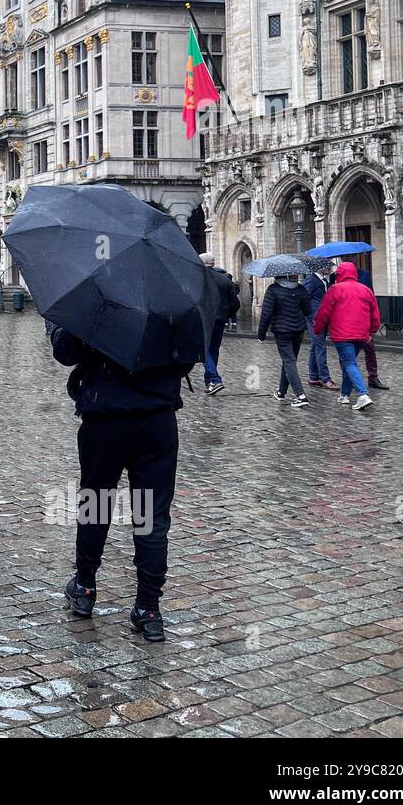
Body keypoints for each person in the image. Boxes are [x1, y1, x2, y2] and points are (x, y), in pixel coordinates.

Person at [51, 324, 191, 643]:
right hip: (157, 420)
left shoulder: (98, 300)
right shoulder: (175, 303)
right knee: (151, 519)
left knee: (96, 506)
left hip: (106, 418)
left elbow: (65, 352)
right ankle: (148, 609)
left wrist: (65, 328)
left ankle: (85, 587)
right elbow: (186, 359)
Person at [313, 260, 381, 412]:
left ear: (340, 275)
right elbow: (375, 314)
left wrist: (317, 328)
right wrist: (372, 331)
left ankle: (363, 394)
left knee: (349, 363)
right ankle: (344, 395)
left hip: (342, 334)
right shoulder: (365, 289)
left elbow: (324, 312)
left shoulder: (335, 289)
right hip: (361, 334)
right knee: (348, 363)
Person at [257, 274, 311, 407]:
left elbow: (266, 313)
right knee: (289, 360)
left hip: (282, 330)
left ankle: (301, 395)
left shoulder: (273, 289)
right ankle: (281, 392)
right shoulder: (301, 289)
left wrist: (261, 334)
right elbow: (307, 310)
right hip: (298, 329)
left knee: (289, 361)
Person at [199, 252, 240, 394]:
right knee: (213, 349)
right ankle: (209, 382)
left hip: (204, 319)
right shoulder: (225, 280)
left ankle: (215, 379)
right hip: (220, 319)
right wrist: (226, 315)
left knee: (204, 349)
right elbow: (235, 303)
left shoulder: (199, 279)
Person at [354, 265, 389, 391]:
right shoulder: (335, 277)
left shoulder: (364, 274)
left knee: (370, 348)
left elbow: (371, 296)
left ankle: (373, 377)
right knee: (348, 352)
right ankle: (350, 378)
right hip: (348, 318)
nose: (349, 258)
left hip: (363, 316)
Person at [303, 263, 335, 389]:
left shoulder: (324, 281)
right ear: (318, 267)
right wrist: (311, 316)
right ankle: (325, 378)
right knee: (320, 347)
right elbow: (304, 299)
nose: (329, 268)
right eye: (326, 265)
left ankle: (313, 377)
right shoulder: (311, 280)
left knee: (315, 346)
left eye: (330, 265)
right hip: (315, 319)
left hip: (322, 317)